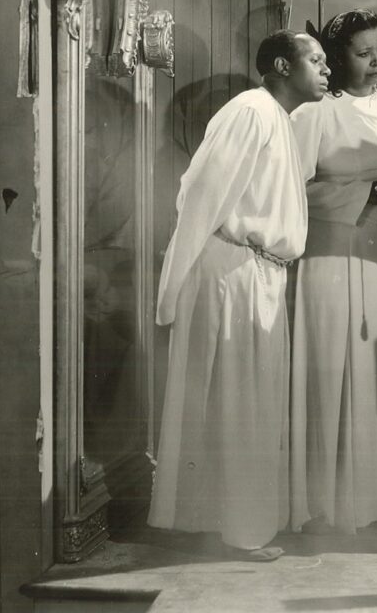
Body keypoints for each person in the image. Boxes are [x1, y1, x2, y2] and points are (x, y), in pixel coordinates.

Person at [148, 30, 330, 561]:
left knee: (248, 404)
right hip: (233, 272)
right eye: (315, 61)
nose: (325, 71)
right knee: (238, 404)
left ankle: (232, 529)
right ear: (280, 65)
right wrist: (172, 285)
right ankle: (238, 534)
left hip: (259, 273)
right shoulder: (250, 111)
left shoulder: (280, 119)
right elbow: (200, 194)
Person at [289, 9, 377, 534]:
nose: (375, 62)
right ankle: (327, 505)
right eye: (363, 53)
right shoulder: (315, 111)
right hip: (331, 254)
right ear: (338, 56)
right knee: (332, 370)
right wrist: (363, 198)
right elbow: (291, 189)